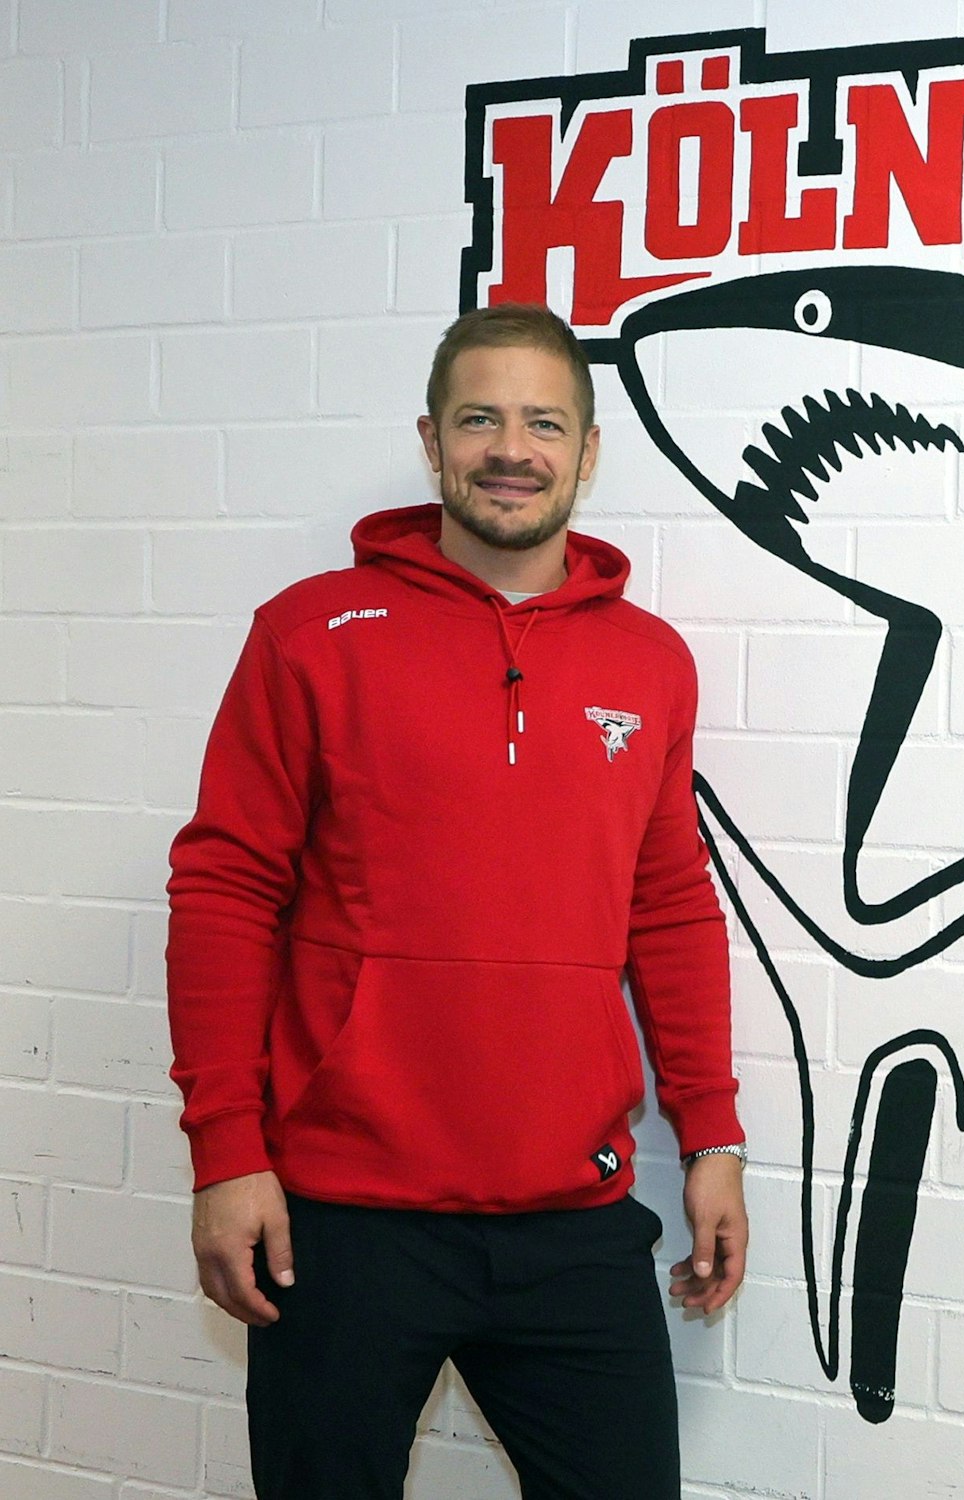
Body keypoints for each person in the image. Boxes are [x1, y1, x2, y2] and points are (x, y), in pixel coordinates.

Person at [164, 301, 747, 1498]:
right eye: (480, 418)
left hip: (571, 1212)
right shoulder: (312, 633)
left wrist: (713, 1134)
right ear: (431, 442)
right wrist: (226, 1150)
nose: (511, 448)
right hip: (342, 1216)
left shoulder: (649, 660)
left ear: (587, 452)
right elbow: (226, 887)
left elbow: (671, 906)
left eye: (545, 422)